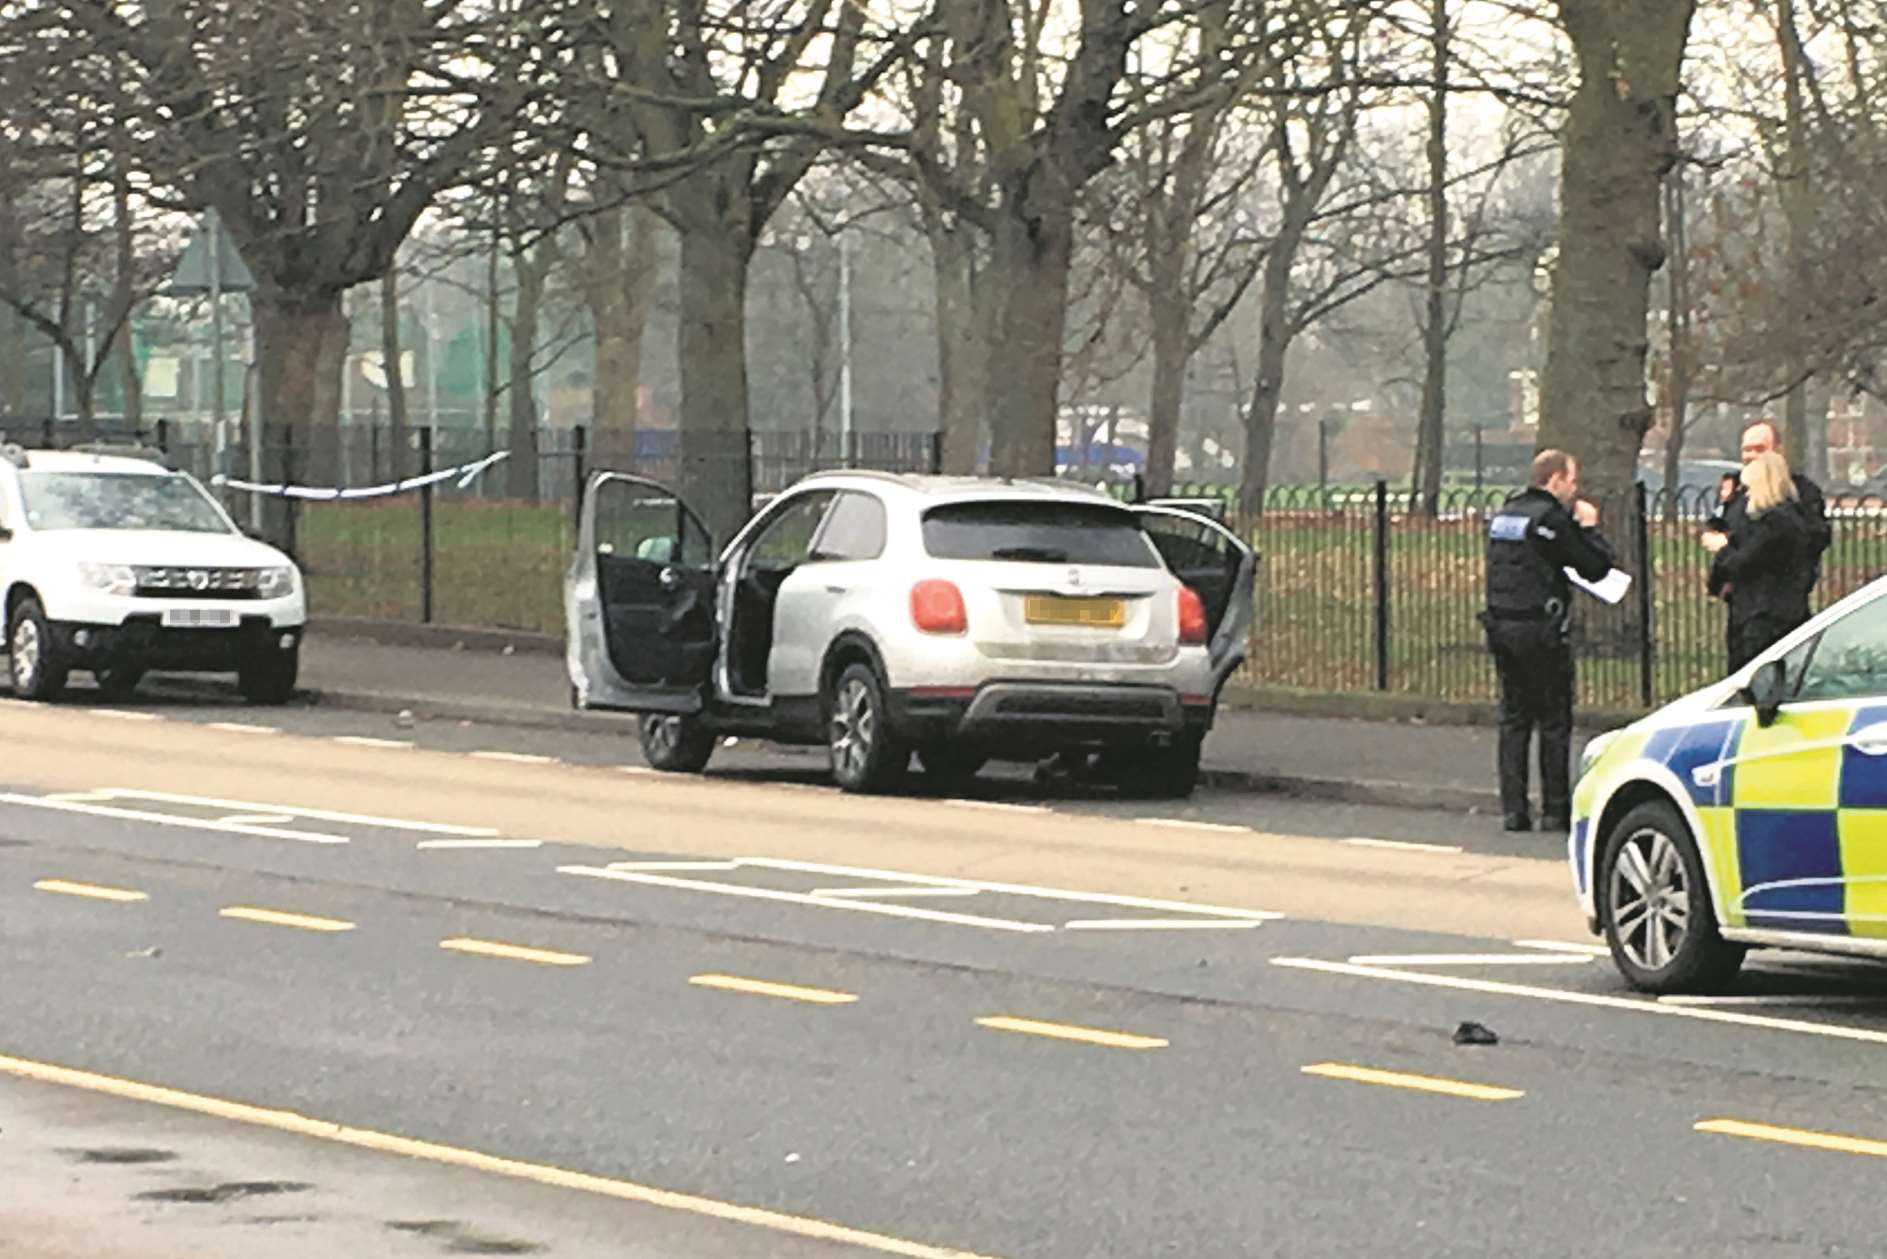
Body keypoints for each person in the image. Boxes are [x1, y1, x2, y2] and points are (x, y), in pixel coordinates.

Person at [1481, 450, 1618, 834]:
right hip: (1541, 629)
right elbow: (1595, 565)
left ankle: (1514, 809)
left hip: (1501, 625)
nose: (1575, 489)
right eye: (1572, 481)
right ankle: (1556, 809)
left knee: (1513, 719)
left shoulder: (1506, 514)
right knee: (1554, 720)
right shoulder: (1551, 518)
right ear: (1556, 479)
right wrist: (1589, 527)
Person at [1705, 450, 1813, 671]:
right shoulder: (1787, 518)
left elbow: (1743, 560)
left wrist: (1722, 547)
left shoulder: (1775, 523)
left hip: (1766, 617)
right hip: (1773, 612)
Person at [1707, 420, 1831, 597]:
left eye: (1759, 449)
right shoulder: (1735, 491)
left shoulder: (1801, 492)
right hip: (1742, 600)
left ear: (1778, 451)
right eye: (1746, 449)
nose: (1751, 455)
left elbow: (1816, 537)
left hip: (1781, 597)